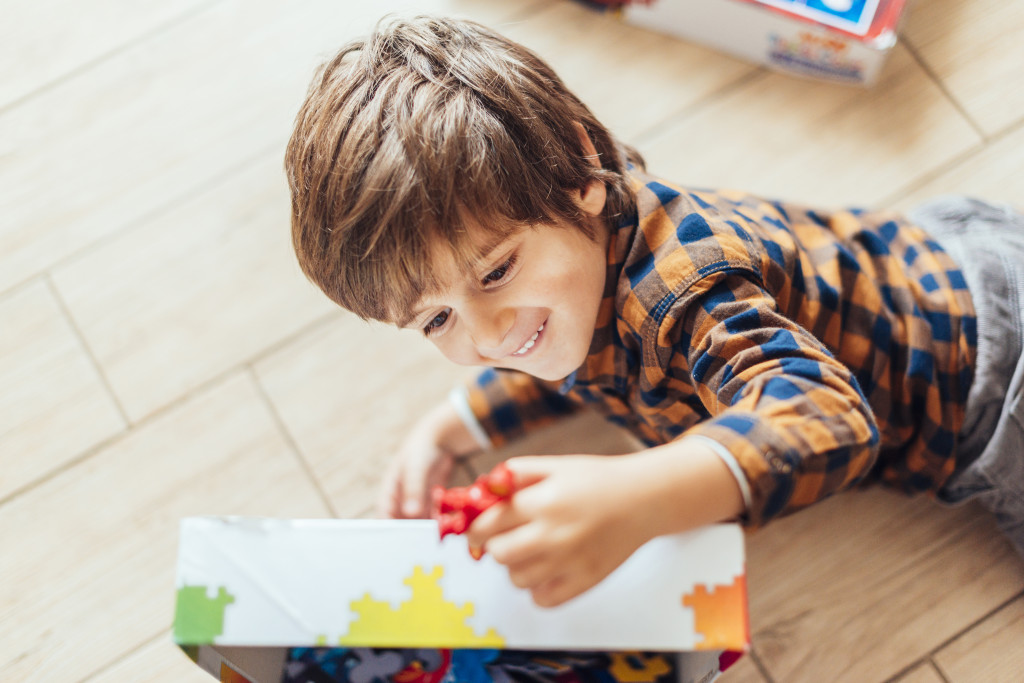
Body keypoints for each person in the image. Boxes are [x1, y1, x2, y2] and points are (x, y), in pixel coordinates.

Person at [284, 15, 1024, 609]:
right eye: (435, 321)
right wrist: (454, 423)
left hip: (990, 381)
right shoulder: (577, 263)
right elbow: (547, 351)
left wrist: (637, 496)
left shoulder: (685, 291)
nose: (487, 333)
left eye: (497, 271)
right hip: (937, 257)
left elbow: (832, 418)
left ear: (576, 173)